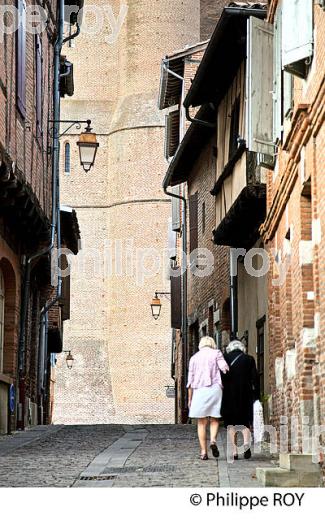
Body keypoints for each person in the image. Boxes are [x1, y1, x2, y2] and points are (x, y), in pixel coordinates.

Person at [187, 336, 229, 460]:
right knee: (215, 418)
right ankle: (213, 441)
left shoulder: (194, 358)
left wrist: (190, 399)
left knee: (201, 422)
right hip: (215, 389)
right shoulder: (216, 353)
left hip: (199, 391)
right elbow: (225, 368)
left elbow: (190, 381)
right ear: (212, 344)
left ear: (200, 345)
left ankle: (204, 452)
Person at [221, 339, 260, 460]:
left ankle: (234, 452)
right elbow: (255, 378)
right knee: (245, 421)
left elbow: (221, 377)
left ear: (230, 348)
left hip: (228, 395)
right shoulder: (249, 359)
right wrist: (256, 396)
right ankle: (247, 444)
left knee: (231, 424)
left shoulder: (225, 359)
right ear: (242, 348)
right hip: (245, 394)